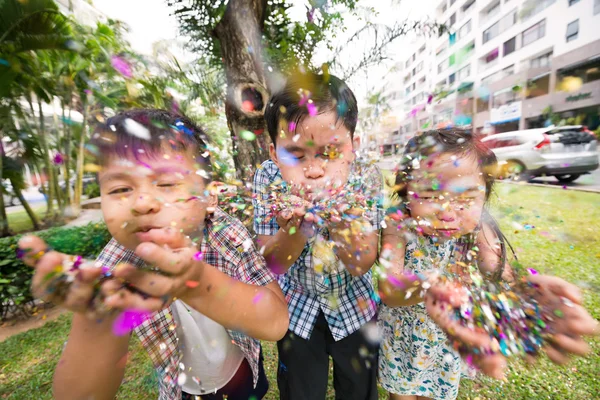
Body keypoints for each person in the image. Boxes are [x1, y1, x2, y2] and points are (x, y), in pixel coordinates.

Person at [18, 109, 289, 400]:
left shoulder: (227, 234)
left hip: (241, 373)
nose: (142, 203)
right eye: (121, 188)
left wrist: (194, 282)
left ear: (210, 195)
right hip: (183, 390)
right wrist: (97, 321)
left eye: (166, 183)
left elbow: (274, 322)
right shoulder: (114, 268)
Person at [377, 128, 600, 400]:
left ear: (484, 197)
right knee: (401, 395)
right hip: (404, 335)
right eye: (431, 196)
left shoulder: (479, 226)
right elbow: (389, 288)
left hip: (449, 335)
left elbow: (498, 271)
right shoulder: (397, 223)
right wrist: (428, 285)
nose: (447, 214)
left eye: (466, 198)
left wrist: (524, 295)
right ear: (406, 191)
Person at [252, 71, 384, 400]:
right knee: (300, 391)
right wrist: (295, 229)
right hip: (297, 310)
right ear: (273, 150)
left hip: (355, 308)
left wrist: (342, 219)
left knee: (357, 391)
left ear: (353, 146)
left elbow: (362, 263)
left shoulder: (366, 176)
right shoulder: (267, 179)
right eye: (296, 155)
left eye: (329, 153)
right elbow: (272, 263)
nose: (313, 170)